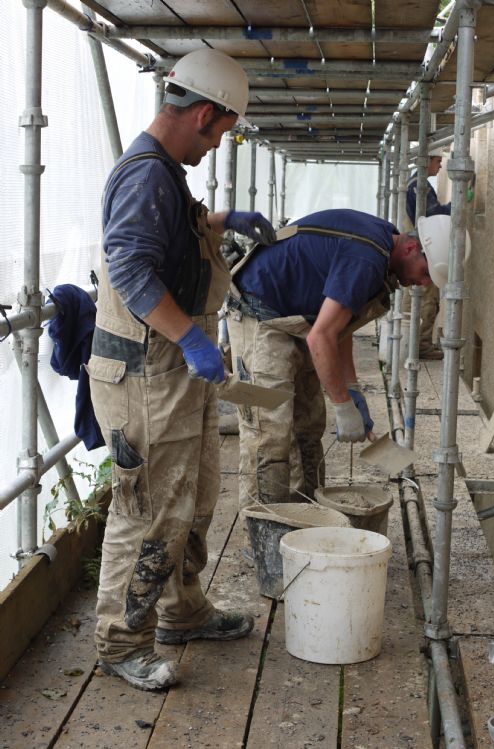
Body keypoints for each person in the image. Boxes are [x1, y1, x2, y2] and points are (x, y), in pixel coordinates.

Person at [87, 47, 276, 692]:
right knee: (148, 509)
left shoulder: (166, 175)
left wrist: (222, 224)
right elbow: (132, 270)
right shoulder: (145, 176)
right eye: (224, 130)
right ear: (202, 113)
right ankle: (121, 641)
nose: (221, 143)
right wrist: (196, 342)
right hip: (145, 374)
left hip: (172, 367)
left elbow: (170, 239)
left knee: (190, 497)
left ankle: (181, 611)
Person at [225, 209, 435, 516]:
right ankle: (265, 532)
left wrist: (351, 390)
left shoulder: (385, 241)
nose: (424, 283)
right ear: (412, 248)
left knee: (307, 426)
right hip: (258, 312)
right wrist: (342, 405)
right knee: (268, 432)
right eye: (426, 272)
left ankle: (306, 516)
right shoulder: (368, 257)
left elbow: (340, 325)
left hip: (299, 319)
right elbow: (321, 338)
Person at [402, 148, 451, 360]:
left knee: (413, 298)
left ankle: (410, 342)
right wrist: (458, 201)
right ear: (427, 161)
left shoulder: (414, 185)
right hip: (423, 251)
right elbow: (433, 215)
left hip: (414, 250)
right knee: (427, 299)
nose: (440, 166)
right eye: (438, 161)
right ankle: (420, 345)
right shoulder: (419, 187)